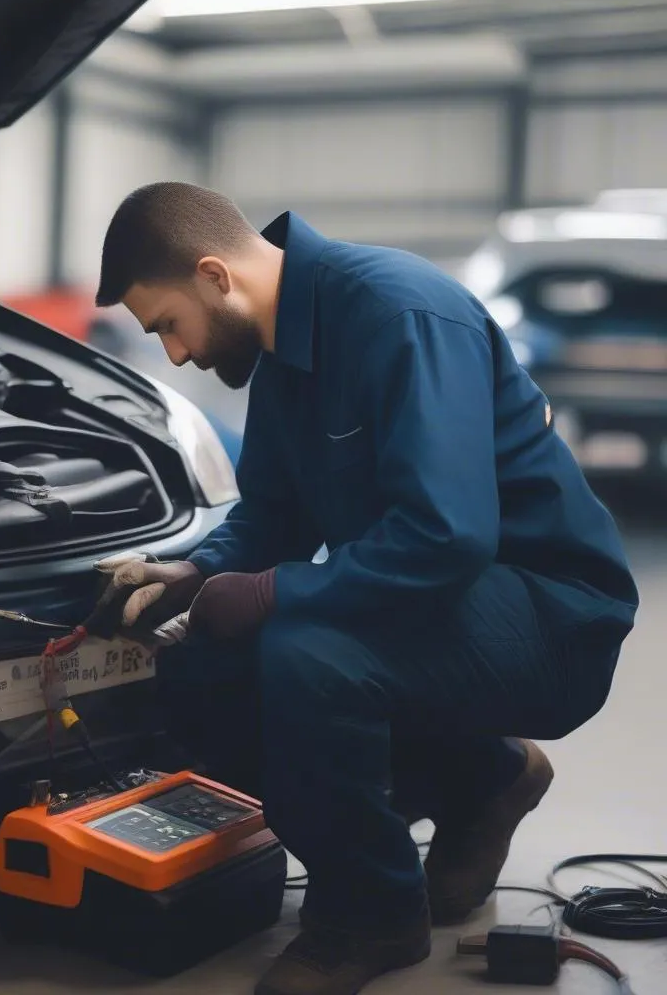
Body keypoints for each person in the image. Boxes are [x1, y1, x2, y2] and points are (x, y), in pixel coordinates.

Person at [88, 183, 639, 995]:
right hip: (432, 605)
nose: (173, 353)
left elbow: (447, 534)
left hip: (551, 613)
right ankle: (482, 777)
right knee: (204, 666)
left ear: (214, 276)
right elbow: (271, 515)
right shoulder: (282, 359)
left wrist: (273, 594)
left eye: (168, 324)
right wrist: (197, 571)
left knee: (307, 648)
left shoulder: (399, 316)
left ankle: (369, 917)